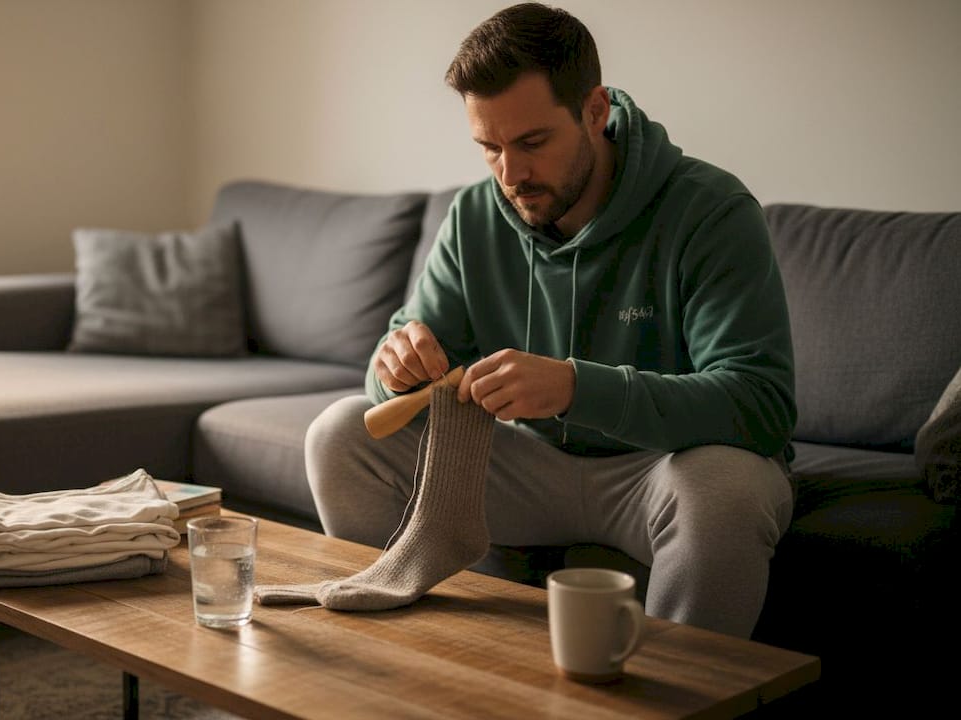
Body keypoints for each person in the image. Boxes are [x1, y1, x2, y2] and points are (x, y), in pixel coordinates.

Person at [303, 2, 796, 638]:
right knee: (338, 434)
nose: (511, 173)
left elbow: (761, 404)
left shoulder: (712, 211)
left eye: (532, 142)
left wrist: (574, 387)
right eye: (490, 148)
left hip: (659, 470)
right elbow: (394, 378)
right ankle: (426, 660)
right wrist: (395, 369)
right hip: (528, 470)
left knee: (726, 488)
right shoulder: (475, 217)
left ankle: (682, 697)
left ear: (595, 111)